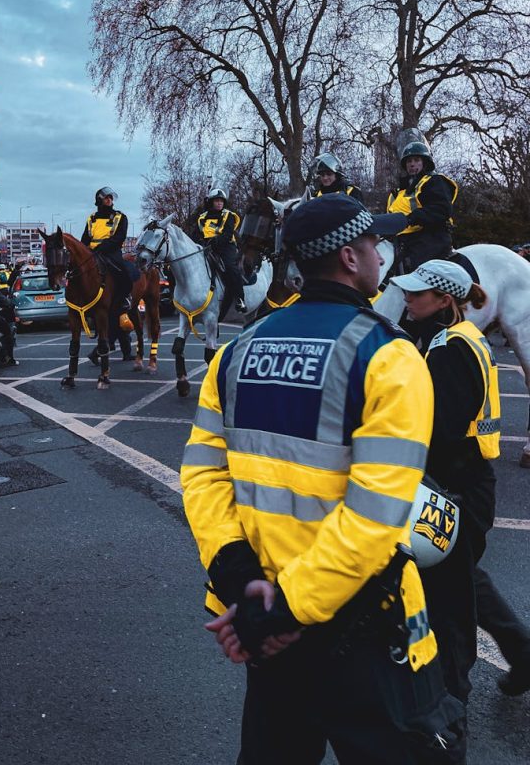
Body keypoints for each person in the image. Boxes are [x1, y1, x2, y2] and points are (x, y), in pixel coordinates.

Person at [181, 193, 463, 764]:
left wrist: (242, 583)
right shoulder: (390, 356)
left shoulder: (235, 353)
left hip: (266, 627)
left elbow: (203, 477)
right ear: (351, 259)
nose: (383, 254)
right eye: (373, 243)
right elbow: (378, 513)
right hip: (365, 631)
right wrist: (287, 609)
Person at [392, 260, 530, 705]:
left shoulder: (448, 350)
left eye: (417, 293)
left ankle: (451, 701)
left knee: (451, 604)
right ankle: (521, 652)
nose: (408, 299)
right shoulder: (463, 337)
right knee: (461, 580)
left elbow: (443, 430)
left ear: (444, 300)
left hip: (454, 485)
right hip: (469, 482)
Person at [387, 141, 457, 271]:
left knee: (419, 271)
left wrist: (413, 218)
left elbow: (441, 209)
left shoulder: (434, 181)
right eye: (408, 161)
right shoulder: (399, 192)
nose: (412, 164)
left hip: (430, 236)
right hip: (402, 240)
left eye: (416, 160)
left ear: (425, 162)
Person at [80, 186, 134, 312]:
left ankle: (125, 298)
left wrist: (103, 247)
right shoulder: (91, 218)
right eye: (106, 198)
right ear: (99, 201)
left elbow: (120, 237)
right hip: (92, 253)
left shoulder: (120, 217)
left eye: (110, 198)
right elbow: (85, 238)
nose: (109, 200)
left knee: (123, 273)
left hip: (111, 252)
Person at [194, 187, 247, 313]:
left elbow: (228, 233)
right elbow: (196, 234)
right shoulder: (202, 217)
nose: (219, 203)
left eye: (221, 201)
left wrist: (215, 241)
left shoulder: (228, 215)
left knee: (230, 267)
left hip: (225, 246)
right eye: (217, 201)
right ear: (211, 202)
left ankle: (240, 299)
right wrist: (200, 243)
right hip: (206, 247)